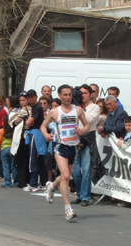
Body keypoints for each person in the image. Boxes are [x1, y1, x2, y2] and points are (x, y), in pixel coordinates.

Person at [43, 85, 90, 221]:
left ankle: (52, 185)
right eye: (65, 95)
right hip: (60, 146)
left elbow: (87, 125)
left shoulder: (78, 110)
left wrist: (82, 131)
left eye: (70, 94)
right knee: (65, 175)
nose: (68, 97)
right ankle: (68, 209)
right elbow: (43, 126)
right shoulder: (54, 112)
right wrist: (46, 134)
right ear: (59, 96)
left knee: (66, 177)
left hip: (73, 146)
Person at [72, 84, 100, 206]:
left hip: (87, 140)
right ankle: (79, 194)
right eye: (80, 93)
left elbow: (87, 120)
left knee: (86, 169)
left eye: (85, 93)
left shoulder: (94, 107)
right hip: (74, 139)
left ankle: (85, 196)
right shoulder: (74, 107)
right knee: (75, 171)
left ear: (90, 94)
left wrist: (78, 109)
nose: (82, 95)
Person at [24, 89, 47, 192]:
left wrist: (28, 120)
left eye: (31, 96)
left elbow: (29, 122)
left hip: (36, 134)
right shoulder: (35, 107)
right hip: (37, 134)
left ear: (36, 96)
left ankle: (33, 183)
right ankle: (42, 182)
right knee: (39, 159)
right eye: (28, 97)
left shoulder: (37, 107)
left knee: (33, 159)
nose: (30, 98)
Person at [11, 92, 31, 188]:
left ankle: (26, 180)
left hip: (27, 135)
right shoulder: (18, 110)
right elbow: (13, 123)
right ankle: (21, 181)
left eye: (24, 100)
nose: (22, 102)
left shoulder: (29, 109)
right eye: (21, 100)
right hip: (20, 136)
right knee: (21, 159)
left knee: (27, 159)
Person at [0, 116, 17, 188]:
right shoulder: (13, 130)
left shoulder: (1, 131)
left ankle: (7, 182)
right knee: (13, 166)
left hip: (4, 150)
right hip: (12, 150)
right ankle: (16, 182)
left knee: (5, 166)